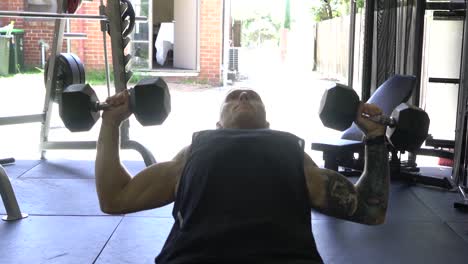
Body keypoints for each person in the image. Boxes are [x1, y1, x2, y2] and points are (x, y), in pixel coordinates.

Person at [95, 88, 390, 264]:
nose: (244, 95)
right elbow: (114, 198)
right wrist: (110, 123)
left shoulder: (289, 153)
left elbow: (370, 209)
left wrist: (376, 137)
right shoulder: (194, 152)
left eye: (253, 97)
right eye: (233, 97)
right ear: (218, 124)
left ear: (268, 124)